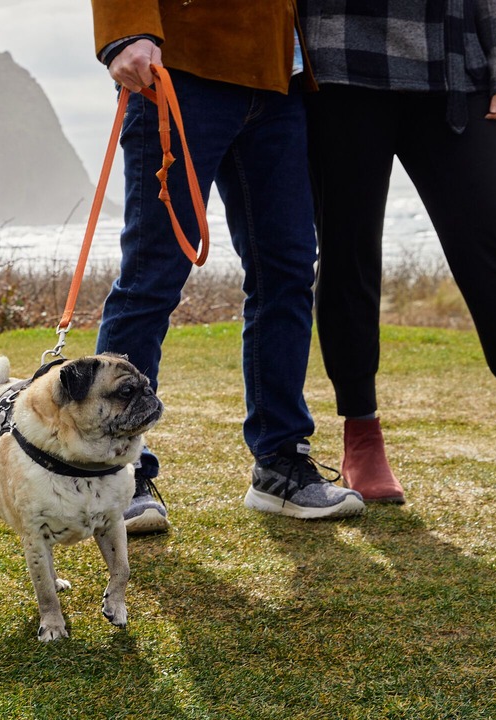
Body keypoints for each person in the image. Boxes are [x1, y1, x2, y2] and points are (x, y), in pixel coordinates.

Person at [299, 0, 496, 506]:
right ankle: (361, 435)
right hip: (339, 62)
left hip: (453, 67)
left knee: (493, 247)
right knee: (347, 251)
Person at [90, 2, 365, 534]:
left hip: (279, 81)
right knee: (151, 278)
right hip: (181, 67)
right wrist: (125, 33)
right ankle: (115, 474)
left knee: (287, 274)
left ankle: (280, 465)